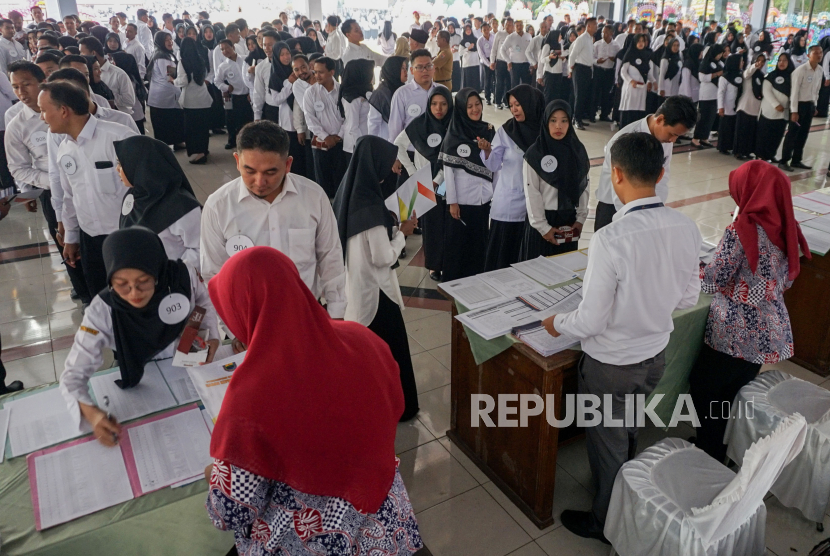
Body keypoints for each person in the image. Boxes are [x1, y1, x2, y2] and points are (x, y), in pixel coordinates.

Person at [203, 247, 422, 555]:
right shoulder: (364, 340)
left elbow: (230, 512)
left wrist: (213, 476)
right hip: (389, 529)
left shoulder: (251, 396)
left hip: (312, 543)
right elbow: (394, 406)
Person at [543, 132, 701, 542]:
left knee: (608, 443)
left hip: (612, 364)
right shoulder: (686, 227)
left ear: (615, 175)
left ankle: (607, 522)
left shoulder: (611, 239)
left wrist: (556, 323)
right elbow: (688, 297)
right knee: (628, 428)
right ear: (661, 172)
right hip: (654, 357)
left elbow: (591, 321)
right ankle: (626, 490)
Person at [691, 161, 809, 462]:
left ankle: (710, 451)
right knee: (734, 390)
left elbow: (711, 282)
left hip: (735, 331)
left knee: (706, 390)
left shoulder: (742, 229)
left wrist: (697, 269)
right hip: (769, 328)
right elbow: (786, 279)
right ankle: (721, 445)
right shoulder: (788, 225)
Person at [59, 227, 220, 442]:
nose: (134, 293)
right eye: (121, 284)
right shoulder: (103, 310)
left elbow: (204, 302)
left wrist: (211, 337)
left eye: (143, 281)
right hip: (137, 368)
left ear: (157, 271)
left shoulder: (182, 276)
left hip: (185, 366)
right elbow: (72, 376)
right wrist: (93, 415)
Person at [200, 121, 346, 321]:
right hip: (248, 324)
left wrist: (336, 316)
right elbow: (213, 274)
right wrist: (232, 329)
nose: (260, 182)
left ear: (288, 165)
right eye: (249, 171)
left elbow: (331, 258)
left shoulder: (313, 197)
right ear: (237, 161)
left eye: (270, 172)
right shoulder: (218, 206)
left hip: (305, 317)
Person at [334, 135, 420, 421]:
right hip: (377, 292)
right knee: (392, 353)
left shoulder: (350, 193)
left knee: (366, 356)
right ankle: (401, 407)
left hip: (356, 288)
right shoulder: (370, 208)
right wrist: (403, 234)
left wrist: (393, 225)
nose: (393, 167)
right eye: (390, 162)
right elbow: (383, 257)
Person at [39, 80, 137, 298]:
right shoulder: (64, 148)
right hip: (91, 239)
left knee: (133, 301)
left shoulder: (119, 138)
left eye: (44, 110)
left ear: (64, 111)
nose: (41, 117)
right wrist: (72, 237)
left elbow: (146, 190)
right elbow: (70, 196)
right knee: (101, 298)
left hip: (127, 238)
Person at [594, 95, 697, 231]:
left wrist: (656, 212)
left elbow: (662, 179)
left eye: (677, 136)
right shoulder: (625, 140)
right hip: (614, 209)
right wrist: (631, 222)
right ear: (660, 119)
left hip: (644, 210)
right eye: (672, 134)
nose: (673, 140)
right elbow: (619, 189)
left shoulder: (664, 139)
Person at [476, 85, 543, 270]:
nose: (514, 109)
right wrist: (488, 151)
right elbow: (494, 165)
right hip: (509, 203)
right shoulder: (506, 131)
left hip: (535, 203)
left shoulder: (544, 132)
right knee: (503, 258)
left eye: (518, 104)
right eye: (511, 105)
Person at [114, 135, 201, 269]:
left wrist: (168, 274)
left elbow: (201, 251)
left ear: (140, 165)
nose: (117, 169)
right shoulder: (135, 195)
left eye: (122, 163)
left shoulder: (183, 207)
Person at [518, 99, 590, 260]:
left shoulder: (577, 150)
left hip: (569, 223)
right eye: (553, 120)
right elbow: (532, 193)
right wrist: (543, 228)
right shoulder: (535, 154)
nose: (559, 126)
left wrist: (580, 220)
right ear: (545, 122)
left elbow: (584, 186)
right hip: (542, 224)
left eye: (564, 121)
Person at [394, 87, 452, 281]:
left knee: (448, 221)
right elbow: (398, 144)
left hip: (447, 180)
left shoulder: (453, 125)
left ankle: (449, 261)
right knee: (432, 224)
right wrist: (412, 172)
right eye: (434, 104)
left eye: (443, 104)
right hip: (425, 181)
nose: (439, 108)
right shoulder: (420, 124)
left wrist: (438, 180)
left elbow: (451, 157)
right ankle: (434, 266)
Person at [440, 88, 495, 281]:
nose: (475, 109)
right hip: (461, 202)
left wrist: (488, 152)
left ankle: (477, 282)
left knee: (479, 243)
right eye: (469, 106)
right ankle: (454, 285)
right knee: (458, 246)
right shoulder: (454, 134)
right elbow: (449, 171)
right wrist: (452, 202)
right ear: (462, 108)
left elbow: (494, 165)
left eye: (477, 104)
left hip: (483, 198)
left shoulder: (488, 130)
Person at [254, 34, 307, 179]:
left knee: (304, 152)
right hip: (287, 118)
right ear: (277, 57)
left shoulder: (295, 68)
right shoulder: (275, 75)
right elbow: (276, 99)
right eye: (282, 54)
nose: (286, 57)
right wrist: (289, 83)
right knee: (292, 151)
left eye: (287, 53)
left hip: (302, 114)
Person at [302, 56, 346, 198]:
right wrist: (326, 137)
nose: (316, 75)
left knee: (341, 179)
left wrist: (338, 136)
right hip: (321, 144)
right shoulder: (311, 92)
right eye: (315, 72)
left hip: (341, 143)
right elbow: (310, 118)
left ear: (332, 72)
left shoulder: (343, 91)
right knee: (323, 181)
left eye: (320, 72)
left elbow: (349, 118)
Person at [779, 45, 823, 172]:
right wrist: (794, 111)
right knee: (792, 134)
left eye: (820, 53)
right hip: (799, 106)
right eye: (816, 53)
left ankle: (796, 160)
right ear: (809, 55)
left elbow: (817, 90)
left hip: (809, 105)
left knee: (803, 134)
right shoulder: (801, 70)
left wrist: (814, 104)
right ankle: (784, 160)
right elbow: (794, 92)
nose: (819, 55)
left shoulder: (819, 70)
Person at [173, 37, 212, 165]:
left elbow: (183, 81)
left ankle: (199, 154)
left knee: (192, 129)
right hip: (204, 99)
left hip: (191, 101)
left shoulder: (183, 62)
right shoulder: (200, 59)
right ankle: (204, 150)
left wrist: (173, 81)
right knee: (203, 127)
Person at [147, 32, 185, 149]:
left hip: (162, 97)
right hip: (164, 97)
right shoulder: (163, 57)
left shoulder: (162, 54)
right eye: (166, 40)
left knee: (171, 120)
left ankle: (176, 142)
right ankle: (167, 146)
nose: (170, 42)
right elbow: (170, 77)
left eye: (170, 39)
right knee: (166, 122)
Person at [79, 37, 135, 115]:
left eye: (82, 52)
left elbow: (130, 101)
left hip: (118, 118)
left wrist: (107, 95)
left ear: (93, 53)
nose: (80, 55)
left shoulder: (118, 74)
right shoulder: (84, 75)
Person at [214, 39, 253, 150]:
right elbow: (217, 81)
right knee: (231, 121)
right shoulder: (223, 66)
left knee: (247, 120)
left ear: (233, 47)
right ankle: (232, 141)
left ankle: (248, 141)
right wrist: (226, 87)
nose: (225, 51)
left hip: (247, 96)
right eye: (222, 49)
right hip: (234, 97)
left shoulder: (245, 60)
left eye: (227, 47)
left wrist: (251, 92)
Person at [756, 53, 793, 163]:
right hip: (769, 111)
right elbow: (766, 91)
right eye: (780, 60)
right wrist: (776, 104)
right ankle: (762, 155)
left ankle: (771, 154)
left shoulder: (792, 76)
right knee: (765, 134)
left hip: (783, 114)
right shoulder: (771, 76)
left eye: (784, 60)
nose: (781, 63)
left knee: (777, 135)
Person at [338, 58, 374, 167]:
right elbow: (353, 127)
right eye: (370, 72)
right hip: (357, 147)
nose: (373, 76)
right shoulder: (352, 98)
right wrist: (362, 148)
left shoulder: (364, 92)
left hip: (365, 143)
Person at [733, 53, 766, 160]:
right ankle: (738, 151)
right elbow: (746, 74)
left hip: (755, 107)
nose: (760, 63)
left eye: (763, 61)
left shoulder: (761, 75)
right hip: (744, 106)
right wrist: (754, 66)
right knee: (741, 131)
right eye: (758, 60)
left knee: (750, 132)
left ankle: (747, 151)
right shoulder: (749, 72)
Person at [367, 56, 407, 141]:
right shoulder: (381, 94)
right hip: (386, 143)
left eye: (405, 68)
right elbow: (373, 123)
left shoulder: (405, 90)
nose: (405, 71)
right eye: (402, 68)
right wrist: (372, 145)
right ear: (394, 69)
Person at [692, 43, 724, 148]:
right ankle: (695, 138)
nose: (719, 56)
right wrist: (716, 74)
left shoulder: (720, 63)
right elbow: (702, 78)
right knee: (703, 118)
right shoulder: (705, 63)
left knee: (710, 118)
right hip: (705, 95)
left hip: (715, 94)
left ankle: (704, 137)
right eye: (718, 54)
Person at [618, 33, 651, 129]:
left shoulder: (647, 55)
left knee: (638, 112)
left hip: (642, 88)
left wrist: (650, 81)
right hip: (630, 87)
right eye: (639, 41)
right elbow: (623, 72)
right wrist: (630, 81)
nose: (641, 43)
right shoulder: (630, 54)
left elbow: (648, 73)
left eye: (643, 41)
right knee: (628, 111)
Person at [568, 17, 596, 128]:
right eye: (594, 25)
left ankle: (578, 117)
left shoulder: (590, 39)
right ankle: (576, 120)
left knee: (584, 95)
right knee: (579, 96)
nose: (596, 27)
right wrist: (570, 70)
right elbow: (573, 54)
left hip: (587, 69)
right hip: (580, 69)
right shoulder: (582, 38)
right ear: (588, 26)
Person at [716, 53, 744, 155]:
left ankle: (731, 145)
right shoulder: (724, 77)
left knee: (733, 127)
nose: (742, 63)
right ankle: (723, 147)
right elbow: (721, 93)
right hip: (727, 106)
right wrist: (721, 107)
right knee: (726, 127)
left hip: (737, 106)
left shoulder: (741, 75)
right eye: (741, 61)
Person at [592, 25, 619, 122]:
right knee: (595, 93)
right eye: (603, 32)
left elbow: (619, 59)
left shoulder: (616, 46)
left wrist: (614, 59)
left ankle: (604, 114)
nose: (604, 34)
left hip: (609, 72)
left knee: (606, 94)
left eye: (606, 32)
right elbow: (592, 58)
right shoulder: (597, 44)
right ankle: (592, 114)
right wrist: (597, 61)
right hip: (599, 70)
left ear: (612, 33)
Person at [502, 20, 533, 90]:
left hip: (526, 64)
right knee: (515, 86)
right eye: (517, 25)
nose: (519, 27)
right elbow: (502, 50)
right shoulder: (510, 37)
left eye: (521, 25)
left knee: (526, 85)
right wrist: (508, 61)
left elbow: (531, 50)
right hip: (515, 65)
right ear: (514, 27)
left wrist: (532, 63)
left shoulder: (528, 36)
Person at [491, 18, 512, 109]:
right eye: (506, 24)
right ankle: (497, 101)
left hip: (511, 63)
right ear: (504, 25)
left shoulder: (514, 35)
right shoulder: (499, 34)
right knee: (499, 82)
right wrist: (492, 61)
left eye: (510, 24)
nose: (508, 26)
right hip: (500, 62)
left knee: (509, 83)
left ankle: (506, 101)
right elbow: (494, 49)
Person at [478, 22, 496, 104]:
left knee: (496, 80)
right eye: (484, 30)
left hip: (495, 60)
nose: (486, 31)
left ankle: (496, 97)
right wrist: (489, 64)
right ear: (481, 31)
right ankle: (487, 98)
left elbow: (496, 49)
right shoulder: (480, 41)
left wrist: (494, 62)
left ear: (490, 29)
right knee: (487, 80)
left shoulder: (494, 37)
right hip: (486, 62)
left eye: (487, 29)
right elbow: (481, 54)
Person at [459, 24, 480, 90]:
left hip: (475, 62)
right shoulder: (462, 41)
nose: (468, 31)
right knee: (468, 82)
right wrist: (467, 48)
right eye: (466, 30)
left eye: (469, 29)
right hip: (467, 64)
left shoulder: (476, 39)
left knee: (475, 81)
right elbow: (460, 53)